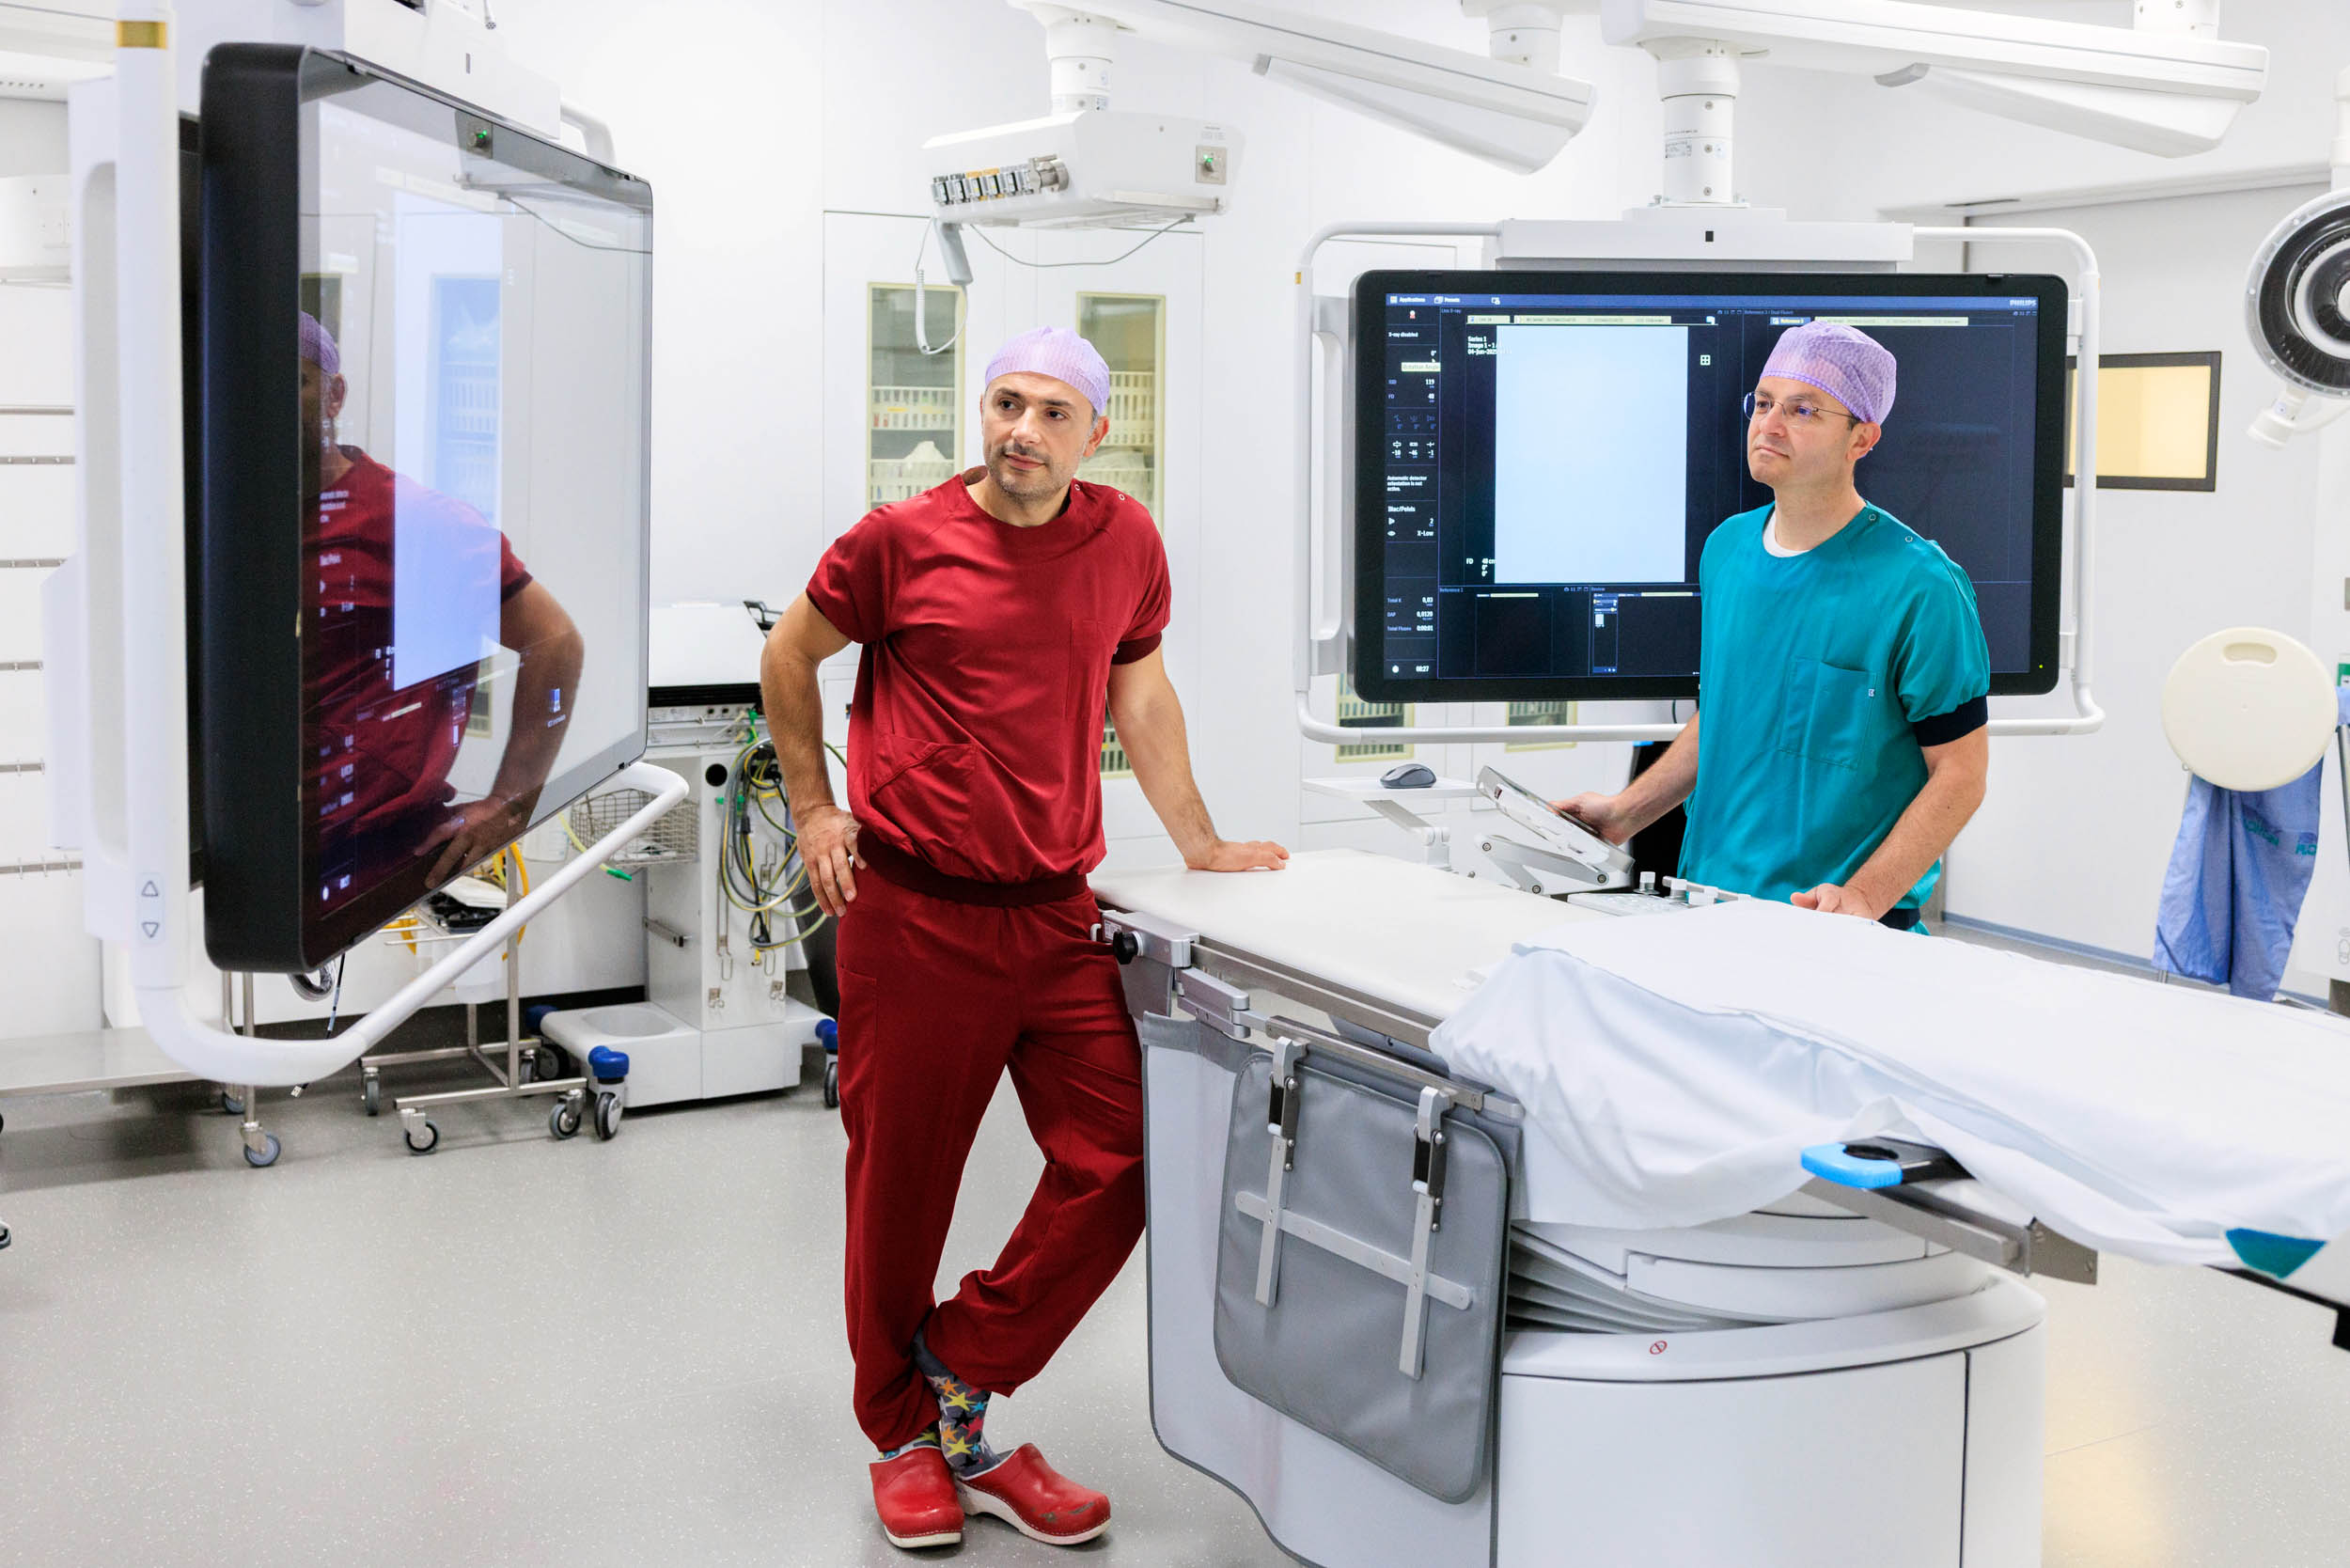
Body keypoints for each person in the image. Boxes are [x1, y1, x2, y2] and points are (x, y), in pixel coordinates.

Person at [759, 326, 1288, 1551]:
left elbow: (1139, 690)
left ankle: (958, 1372)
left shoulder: (1126, 542)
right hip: (914, 913)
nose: (1024, 431)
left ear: (1097, 434)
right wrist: (815, 808)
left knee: (1132, 1150)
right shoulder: (899, 542)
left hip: (1055, 913)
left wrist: (1201, 841)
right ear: (982, 413)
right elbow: (789, 652)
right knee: (901, 1189)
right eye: (1007, 404)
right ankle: (904, 1437)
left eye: (1054, 412)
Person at [1558, 321, 1991, 931]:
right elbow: (1729, 715)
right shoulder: (1728, 550)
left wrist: (1864, 899)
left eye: (1803, 409)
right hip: (1705, 907)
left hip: (1834, 927)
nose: (1770, 425)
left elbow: (1962, 774)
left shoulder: (1920, 586)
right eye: (1763, 404)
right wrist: (1625, 812)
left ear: (1862, 438)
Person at [298, 311, 584, 901]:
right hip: (269, 855)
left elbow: (555, 640)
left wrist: (510, 803)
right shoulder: (229, 520)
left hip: (366, 865)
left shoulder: (412, 520)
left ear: (334, 394)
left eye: (294, 382)